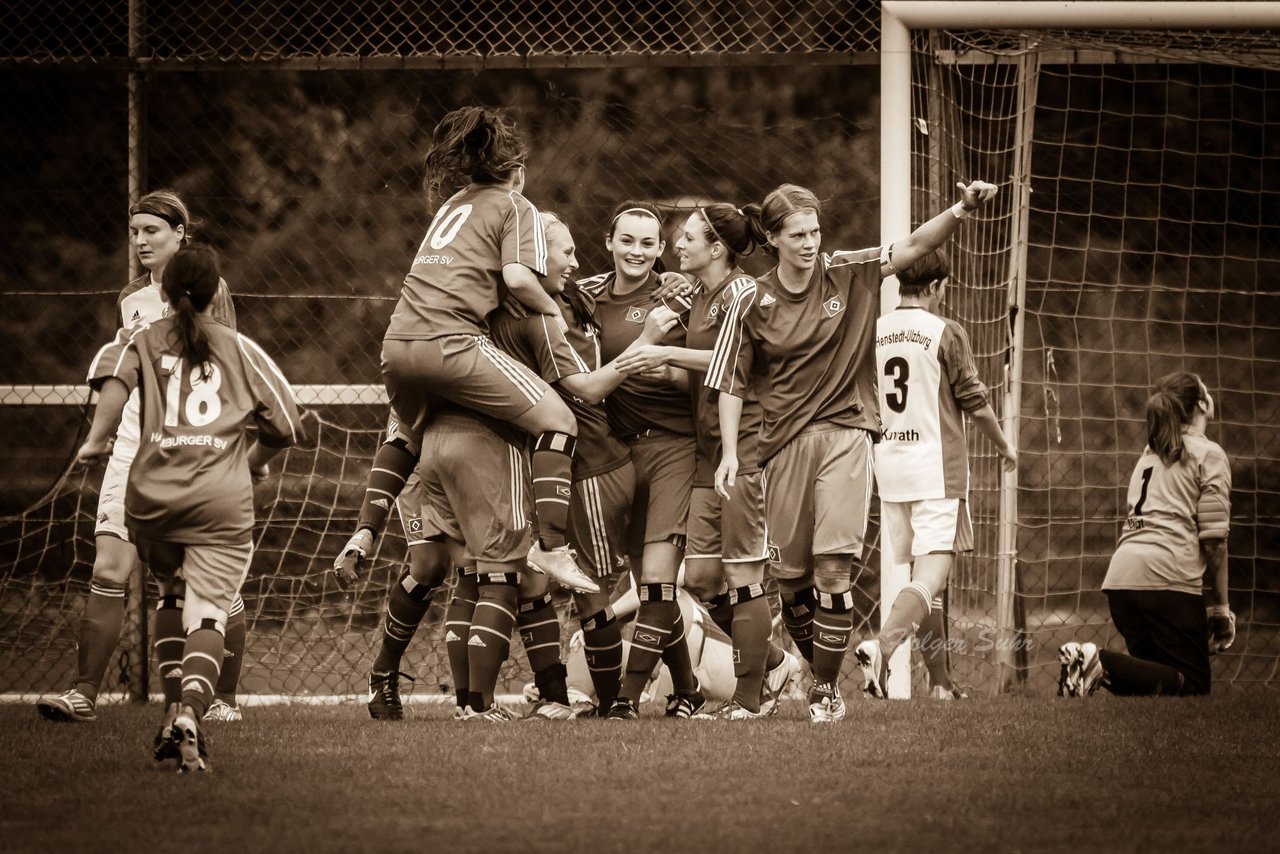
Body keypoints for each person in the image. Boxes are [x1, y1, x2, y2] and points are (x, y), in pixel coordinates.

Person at [711, 180, 998, 722]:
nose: (809, 242)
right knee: (792, 583)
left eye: (815, 231)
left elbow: (911, 247)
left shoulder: (847, 269)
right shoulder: (751, 299)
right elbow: (730, 382)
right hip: (783, 446)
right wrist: (731, 453)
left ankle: (825, 691)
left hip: (846, 435)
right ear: (772, 239)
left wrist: (960, 209)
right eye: (797, 234)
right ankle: (803, 669)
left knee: (832, 571)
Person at [75, 245, 300, 771]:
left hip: (151, 500)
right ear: (214, 290)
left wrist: (96, 438)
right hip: (218, 502)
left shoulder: (141, 337)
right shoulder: (239, 347)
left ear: (167, 291)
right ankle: (194, 712)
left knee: (171, 596)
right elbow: (288, 425)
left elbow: (114, 378)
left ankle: (171, 708)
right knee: (209, 609)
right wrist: (254, 462)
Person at [37, 190, 249, 726]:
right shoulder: (130, 298)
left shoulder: (210, 289)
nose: (140, 241)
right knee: (109, 565)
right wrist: (104, 433)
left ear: (181, 234)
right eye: (134, 232)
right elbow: (124, 367)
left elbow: (226, 363)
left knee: (204, 582)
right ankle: (84, 693)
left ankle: (220, 697)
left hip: (191, 446)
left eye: (152, 231)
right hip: (134, 443)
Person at [380, 106, 588, 594]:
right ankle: (551, 547)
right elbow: (518, 278)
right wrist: (552, 310)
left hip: (396, 347)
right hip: (449, 343)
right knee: (560, 423)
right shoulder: (518, 206)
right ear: (517, 172)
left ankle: (371, 531)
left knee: (406, 436)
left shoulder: (452, 204)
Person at [615, 204, 801, 719]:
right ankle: (775, 663)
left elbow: (737, 357)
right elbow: (705, 369)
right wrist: (662, 371)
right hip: (706, 452)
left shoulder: (744, 293)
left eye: (688, 237)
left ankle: (748, 699)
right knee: (698, 578)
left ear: (716, 248)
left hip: (745, 448)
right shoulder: (697, 295)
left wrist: (668, 355)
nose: (678, 245)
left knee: (742, 573)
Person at [490, 211, 678, 716]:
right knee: (546, 584)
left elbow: (589, 391)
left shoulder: (557, 307)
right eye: (566, 252)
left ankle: (614, 703)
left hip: (592, 464)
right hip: (559, 464)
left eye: (575, 251)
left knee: (595, 591)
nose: (576, 262)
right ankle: (559, 696)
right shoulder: (548, 303)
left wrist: (650, 336)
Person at [853, 249, 1017, 698]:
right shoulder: (945, 331)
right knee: (931, 575)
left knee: (925, 580)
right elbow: (974, 400)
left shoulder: (875, 331)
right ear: (936, 287)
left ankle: (942, 685)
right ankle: (883, 647)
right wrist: (1003, 445)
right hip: (936, 469)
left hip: (890, 468)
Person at [578, 201, 703, 719]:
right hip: (618, 451)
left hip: (675, 445)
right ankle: (688, 689)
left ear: (660, 248)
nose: (637, 251)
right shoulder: (583, 296)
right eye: (627, 240)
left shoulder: (678, 294)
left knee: (655, 576)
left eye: (648, 243)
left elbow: (714, 368)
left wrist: (670, 371)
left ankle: (626, 699)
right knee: (647, 580)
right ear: (609, 241)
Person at [1059, 372, 1233, 697]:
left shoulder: (1149, 452)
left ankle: (1090, 664)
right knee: (1193, 687)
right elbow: (1215, 542)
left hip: (1122, 581)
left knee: (1155, 687)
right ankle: (1100, 661)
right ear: (1202, 403)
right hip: (1167, 581)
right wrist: (1222, 610)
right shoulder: (1208, 455)